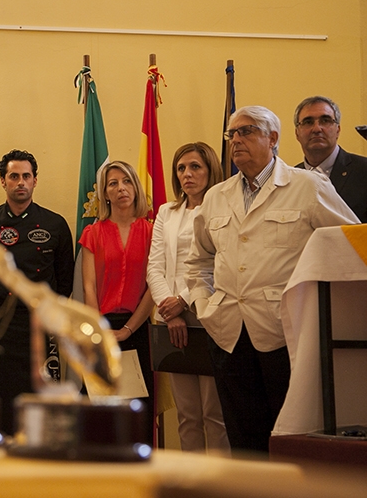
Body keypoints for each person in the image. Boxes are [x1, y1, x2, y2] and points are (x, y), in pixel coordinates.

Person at [185, 106, 359, 453]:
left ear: (273, 139)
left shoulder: (307, 186)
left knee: (290, 439)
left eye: (246, 131)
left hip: (286, 333)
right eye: (231, 133)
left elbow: (351, 243)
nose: (236, 140)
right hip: (228, 334)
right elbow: (198, 260)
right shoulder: (217, 196)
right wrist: (203, 304)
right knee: (243, 441)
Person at [0, 149, 74, 435]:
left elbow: (65, 281)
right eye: (13, 176)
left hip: (41, 326)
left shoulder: (56, 225)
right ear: (3, 181)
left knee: (42, 396)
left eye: (26, 176)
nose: (20, 182)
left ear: (35, 181)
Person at [146, 143, 229, 453]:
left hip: (209, 312)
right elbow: (154, 266)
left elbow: (220, 262)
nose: (187, 174)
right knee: (187, 413)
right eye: (181, 168)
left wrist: (182, 300)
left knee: (214, 412)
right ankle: (190, 483)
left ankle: (221, 484)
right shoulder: (167, 212)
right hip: (171, 320)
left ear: (210, 171)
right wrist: (170, 309)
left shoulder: (222, 209)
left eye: (195, 167)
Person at [79, 160, 155, 440]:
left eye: (126, 181)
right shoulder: (93, 233)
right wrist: (98, 331)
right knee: (101, 412)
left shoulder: (152, 231)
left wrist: (129, 329)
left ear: (136, 187)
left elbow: (153, 288)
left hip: (138, 329)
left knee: (138, 414)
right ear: (104, 194)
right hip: (102, 329)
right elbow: (89, 287)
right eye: (113, 183)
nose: (121, 188)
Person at [293, 95, 367, 222]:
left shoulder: (363, 171)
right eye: (308, 122)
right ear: (297, 134)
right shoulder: (291, 179)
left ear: (338, 130)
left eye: (325, 121)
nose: (317, 129)